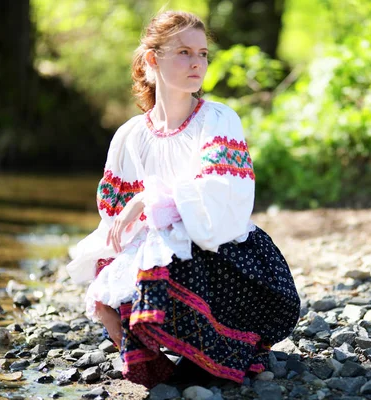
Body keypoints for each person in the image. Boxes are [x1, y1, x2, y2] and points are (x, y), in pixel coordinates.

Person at [66, 10, 301, 388]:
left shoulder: (218, 120)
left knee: (165, 258)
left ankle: (218, 349)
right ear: (152, 59)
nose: (197, 63)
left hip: (232, 262)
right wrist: (105, 288)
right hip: (168, 255)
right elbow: (116, 222)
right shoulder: (129, 137)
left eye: (203, 54)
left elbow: (221, 199)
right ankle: (164, 350)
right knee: (127, 276)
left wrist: (149, 199)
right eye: (184, 53)